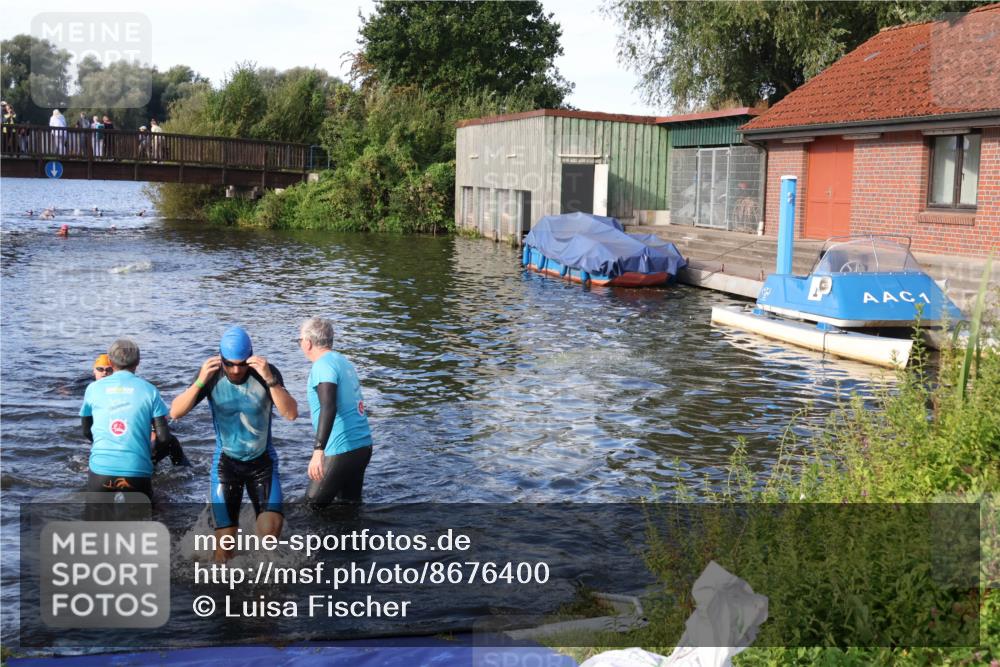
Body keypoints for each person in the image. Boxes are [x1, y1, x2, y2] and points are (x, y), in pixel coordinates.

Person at [170, 326, 297, 561]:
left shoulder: (266, 373)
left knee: (270, 535)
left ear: (251, 357)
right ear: (221, 358)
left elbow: (290, 414)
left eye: (242, 363)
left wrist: (270, 380)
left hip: (263, 463)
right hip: (226, 465)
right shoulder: (210, 375)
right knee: (225, 549)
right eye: (230, 364)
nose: (236, 370)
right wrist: (199, 382)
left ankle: (265, 589)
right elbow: (176, 412)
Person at [80, 339, 176, 499]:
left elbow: (86, 431)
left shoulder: (92, 388)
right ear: (138, 362)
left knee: (97, 521)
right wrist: (147, 455)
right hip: (137, 473)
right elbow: (164, 438)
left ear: (110, 362)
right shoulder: (150, 390)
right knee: (145, 520)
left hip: (100, 472)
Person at [298, 317, 373, 507]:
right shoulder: (344, 362)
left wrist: (318, 451)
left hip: (341, 449)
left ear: (307, 343)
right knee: (348, 507)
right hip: (362, 446)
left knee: (310, 508)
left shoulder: (322, 365)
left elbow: (328, 406)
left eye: (300, 340)